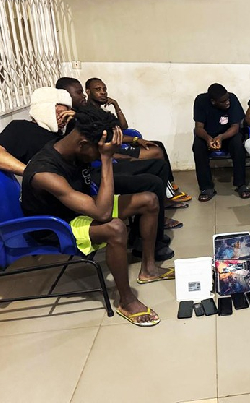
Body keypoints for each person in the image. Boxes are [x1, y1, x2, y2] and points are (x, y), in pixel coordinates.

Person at [21, 105, 174, 327]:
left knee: (149, 200)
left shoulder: (75, 147)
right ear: (83, 144)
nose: (99, 155)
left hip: (78, 208)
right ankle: (126, 301)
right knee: (115, 228)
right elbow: (102, 213)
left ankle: (149, 269)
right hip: (55, 226)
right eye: (98, 150)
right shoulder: (44, 172)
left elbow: (97, 207)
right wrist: (105, 159)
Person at [0, 86, 176, 261]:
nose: (63, 117)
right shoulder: (20, 129)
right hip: (63, 194)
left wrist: (78, 117)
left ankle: (147, 239)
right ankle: (146, 242)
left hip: (83, 177)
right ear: (44, 108)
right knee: (148, 185)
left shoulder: (66, 131)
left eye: (66, 111)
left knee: (155, 171)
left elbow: (96, 133)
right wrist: (33, 172)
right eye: (59, 111)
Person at [82, 77, 191, 203]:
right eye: (98, 89)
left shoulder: (101, 111)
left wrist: (116, 105)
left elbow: (123, 127)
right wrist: (135, 140)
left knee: (157, 145)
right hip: (111, 152)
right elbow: (107, 139)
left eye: (104, 89)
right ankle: (167, 194)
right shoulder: (89, 114)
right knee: (156, 152)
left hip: (116, 146)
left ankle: (169, 185)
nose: (103, 92)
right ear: (88, 91)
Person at [193, 83, 250, 201]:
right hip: (209, 135)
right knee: (198, 146)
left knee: (238, 144)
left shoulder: (232, 99)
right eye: (223, 101)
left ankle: (241, 185)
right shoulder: (200, 101)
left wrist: (221, 137)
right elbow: (198, 128)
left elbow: (235, 127)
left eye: (227, 99)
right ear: (213, 102)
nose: (227, 102)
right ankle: (206, 188)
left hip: (228, 135)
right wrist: (208, 138)